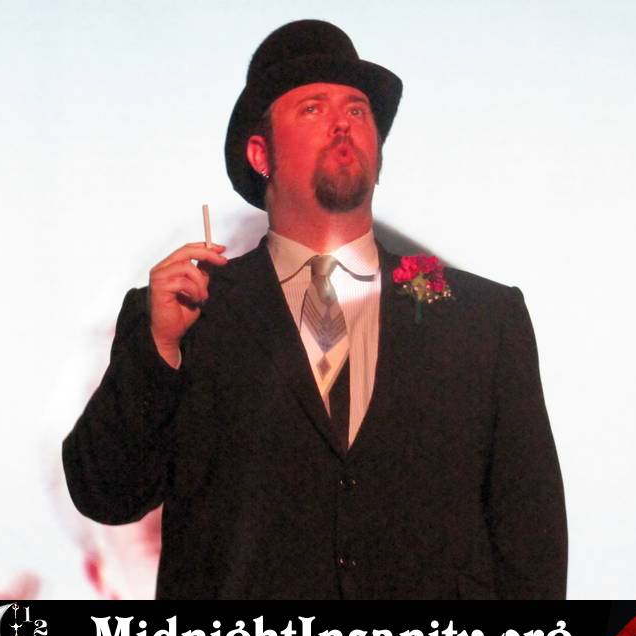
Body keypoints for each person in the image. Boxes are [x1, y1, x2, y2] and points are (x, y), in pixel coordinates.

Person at [62, 19, 568, 599]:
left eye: (358, 110)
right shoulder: (189, 313)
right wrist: (159, 350)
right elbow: (106, 492)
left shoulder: (483, 319)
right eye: (312, 108)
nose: (342, 122)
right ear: (261, 153)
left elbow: (532, 543)